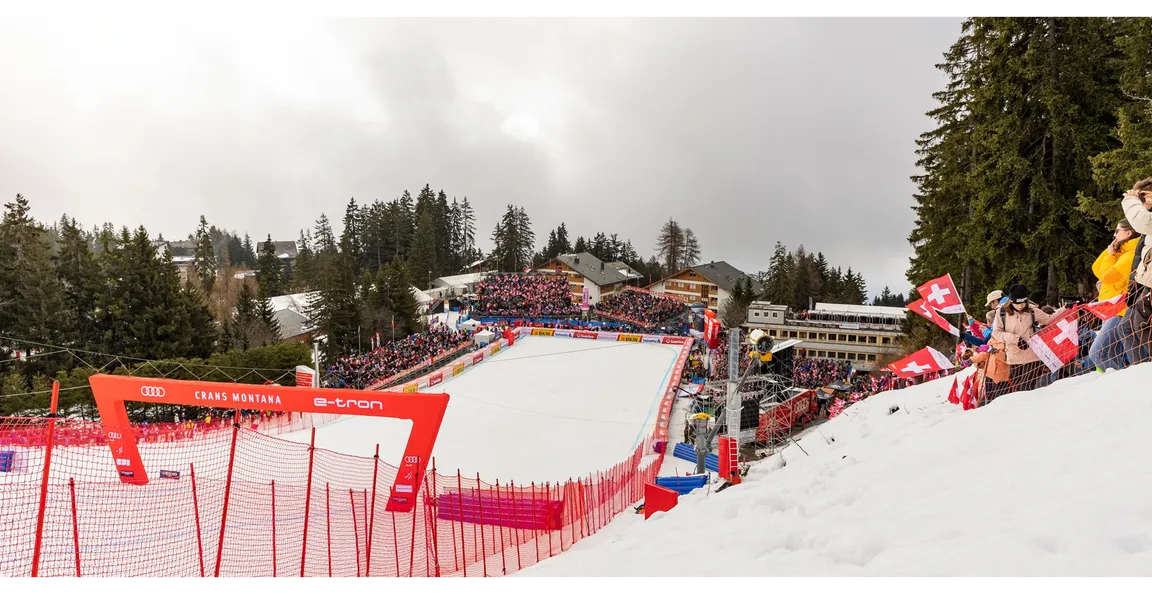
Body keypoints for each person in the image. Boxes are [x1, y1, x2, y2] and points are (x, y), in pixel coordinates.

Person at [991, 283, 1065, 394]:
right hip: (1014, 356)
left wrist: (1065, 308)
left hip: (1033, 355)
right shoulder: (1002, 313)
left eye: (1023, 303)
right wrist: (1015, 339)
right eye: (1017, 303)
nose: (1021, 306)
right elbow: (996, 333)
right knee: (1017, 388)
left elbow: (1049, 319)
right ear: (1011, 301)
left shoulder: (1032, 310)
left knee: (1027, 387)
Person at [1088, 218, 1139, 372]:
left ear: (1129, 233)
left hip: (1119, 310)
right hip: (1110, 308)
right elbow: (1096, 268)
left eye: (1118, 231)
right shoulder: (1121, 252)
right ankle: (1120, 380)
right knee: (1113, 354)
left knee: (1097, 353)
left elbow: (1107, 277)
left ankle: (1124, 380)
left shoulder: (1130, 254)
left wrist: (1110, 256)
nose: (1114, 234)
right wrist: (1113, 250)